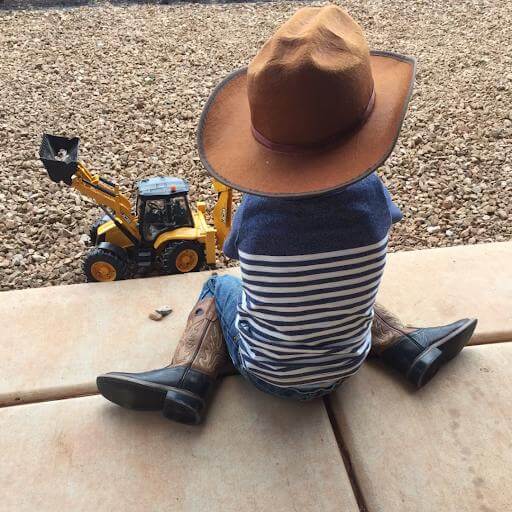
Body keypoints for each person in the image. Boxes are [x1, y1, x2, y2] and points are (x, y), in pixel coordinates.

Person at [97, 5, 477, 425]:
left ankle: (188, 377)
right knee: (340, 286)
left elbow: (233, 253)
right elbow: (383, 222)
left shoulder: (256, 211)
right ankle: (406, 347)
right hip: (349, 364)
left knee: (219, 285)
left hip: (268, 376)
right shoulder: (374, 196)